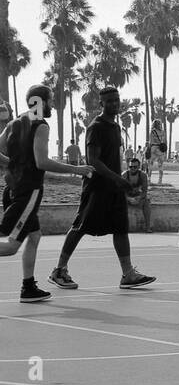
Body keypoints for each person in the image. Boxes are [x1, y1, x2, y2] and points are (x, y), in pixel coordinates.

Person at [50, 87, 156, 291]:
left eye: (117, 100)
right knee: (80, 227)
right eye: (109, 101)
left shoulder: (115, 127)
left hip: (114, 188)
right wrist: (119, 180)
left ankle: (128, 274)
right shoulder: (96, 127)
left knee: (121, 228)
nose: (114, 104)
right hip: (97, 187)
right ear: (101, 104)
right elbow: (94, 161)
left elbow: (112, 159)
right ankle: (59, 270)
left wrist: (121, 181)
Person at [0, 85, 93, 301]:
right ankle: (28, 287)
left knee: (34, 236)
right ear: (40, 102)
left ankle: (28, 287)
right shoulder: (40, 125)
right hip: (28, 190)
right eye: (51, 100)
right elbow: (41, 162)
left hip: (13, 187)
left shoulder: (14, 123)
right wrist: (76, 170)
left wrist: (12, 163)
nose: (52, 104)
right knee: (12, 246)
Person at [123, 155, 152, 233]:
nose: (132, 168)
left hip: (137, 196)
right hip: (126, 196)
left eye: (135, 167)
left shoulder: (143, 175)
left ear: (139, 167)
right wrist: (128, 198)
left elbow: (144, 191)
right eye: (130, 167)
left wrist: (139, 198)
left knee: (146, 203)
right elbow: (119, 191)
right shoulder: (124, 175)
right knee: (117, 202)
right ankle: (121, 226)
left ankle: (148, 227)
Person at [147, 118, 166, 185]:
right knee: (160, 166)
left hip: (154, 148)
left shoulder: (152, 131)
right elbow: (163, 141)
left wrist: (148, 149)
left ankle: (149, 180)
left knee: (150, 165)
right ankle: (160, 181)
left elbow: (151, 141)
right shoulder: (163, 132)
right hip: (161, 150)